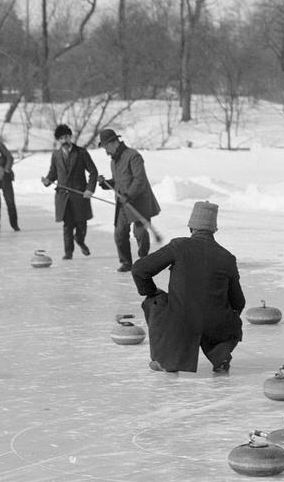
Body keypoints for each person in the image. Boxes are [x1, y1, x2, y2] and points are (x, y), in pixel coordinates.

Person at [131, 201, 245, 374]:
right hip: (216, 325)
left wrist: (152, 292)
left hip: (181, 322)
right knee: (222, 316)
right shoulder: (227, 257)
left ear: (191, 226)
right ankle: (220, 354)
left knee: (155, 302)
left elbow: (139, 270)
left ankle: (166, 359)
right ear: (214, 229)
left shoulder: (179, 246)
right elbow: (239, 302)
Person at [96, 128, 160, 272]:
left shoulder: (133, 156)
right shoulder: (113, 161)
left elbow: (140, 179)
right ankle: (126, 262)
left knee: (140, 233)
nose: (105, 150)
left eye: (106, 146)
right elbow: (119, 182)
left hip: (139, 202)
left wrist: (129, 195)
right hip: (123, 203)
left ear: (114, 142)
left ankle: (143, 260)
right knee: (119, 233)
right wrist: (105, 183)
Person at [40, 123, 98, 258]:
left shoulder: (81, 152)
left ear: (70, 137)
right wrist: (47, 181)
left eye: (66, 137)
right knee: (67, 225)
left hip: (79, 195)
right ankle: (68, 252)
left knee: (81, 224)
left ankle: (80, 240)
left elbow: (93, 172)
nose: (64, 140)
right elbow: (53, 173)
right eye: (61, 138)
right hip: (63, 196)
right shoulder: (56, 155)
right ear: (58, 140)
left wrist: (90, 189)